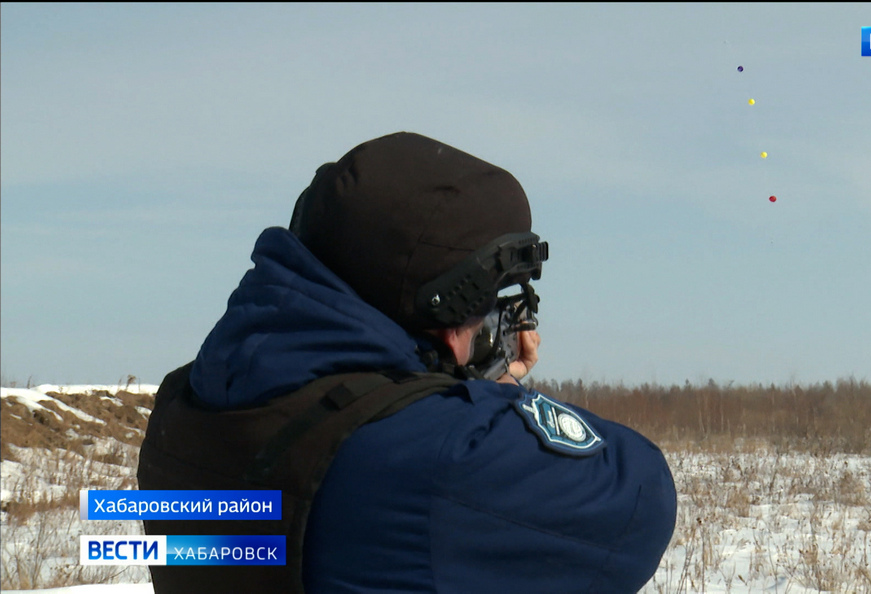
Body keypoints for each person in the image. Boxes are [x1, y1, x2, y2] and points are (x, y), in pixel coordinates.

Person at [138, 132, 676, 593]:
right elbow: (640, 497)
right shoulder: (437, 461)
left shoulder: (186, 403)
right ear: (450, 305)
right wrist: (497, 393)